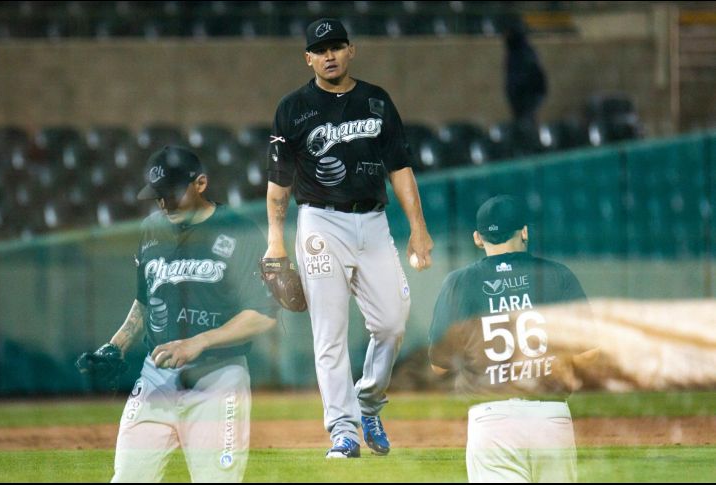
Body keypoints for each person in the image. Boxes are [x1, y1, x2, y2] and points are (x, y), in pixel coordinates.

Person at [264, 18, 434, 458]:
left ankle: (369, 402)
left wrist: (418, 228)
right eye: (320, 49)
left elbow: (400, 168)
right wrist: (275, 241)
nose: (329, 55)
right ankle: (342, 429)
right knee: (330, 333)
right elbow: (279, 182)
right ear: (308, 58)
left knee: (393, 323)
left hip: (373, 222)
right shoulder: (293, 108)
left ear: (351, 50)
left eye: (336, 46)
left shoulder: (377, 100)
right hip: (320, 224)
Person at [81, 146, 278, 482]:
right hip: (157, 377)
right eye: (158, 195)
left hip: (218, 378)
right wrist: (116, 345)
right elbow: (145, 299)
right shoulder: (151, 228)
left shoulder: (238, 230)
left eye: (172, 193)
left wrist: (198, 342)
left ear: (200, 183)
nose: (164, 203)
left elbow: (263, 314)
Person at [428, 195, 598, 483]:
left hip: (492, 420)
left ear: (478, 239)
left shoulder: (459, 283)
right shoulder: (557, 275)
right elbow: (589, 354)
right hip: (551, 416)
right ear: (524, 231)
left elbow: (438, 364)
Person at [504, 19, 547, 128]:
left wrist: (530, 96)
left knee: (526, 125)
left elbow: (534, 76)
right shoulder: (513, 53)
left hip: (527, 97)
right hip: (518, 97)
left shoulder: (525, 53)